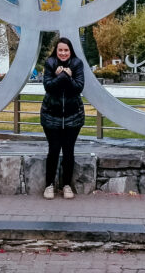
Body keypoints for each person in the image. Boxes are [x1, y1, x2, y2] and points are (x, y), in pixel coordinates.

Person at [40, 37, 85, 200]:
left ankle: (66, 185)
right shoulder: (50, 63)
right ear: (56, 50)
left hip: (73, 117)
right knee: (53, 151)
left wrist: (63, 77)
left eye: (66, 50)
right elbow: (48, 87)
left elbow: (78, 87)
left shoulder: (77, 64)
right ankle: (49, 186)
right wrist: (65, 76)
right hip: (51, 116)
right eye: (60, 50)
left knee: (68, 152)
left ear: (70, 50)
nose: (63, 53)